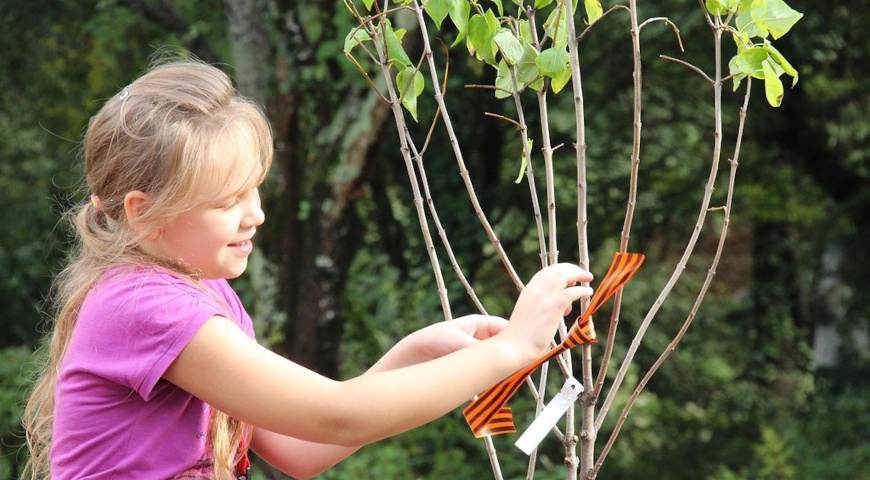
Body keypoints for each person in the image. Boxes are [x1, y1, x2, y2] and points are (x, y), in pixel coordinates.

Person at [23, 59, 594, 480]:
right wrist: (512, 348)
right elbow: (335, 418)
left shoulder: (206, 291)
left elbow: (298, 449)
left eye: (255, 190)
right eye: (227, 201)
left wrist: (411, 354)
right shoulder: (145, 306)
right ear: (144, 214)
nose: (257, 214)